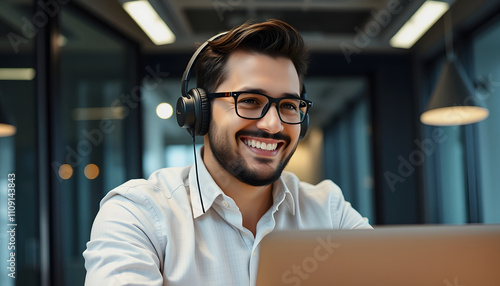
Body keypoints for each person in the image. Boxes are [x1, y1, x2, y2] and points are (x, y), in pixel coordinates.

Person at [83, 19, 371, 285]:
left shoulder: (329, 212)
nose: (273, 125)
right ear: (200, 112)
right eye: (249, 100)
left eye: (289, 106)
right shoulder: (139, 214)